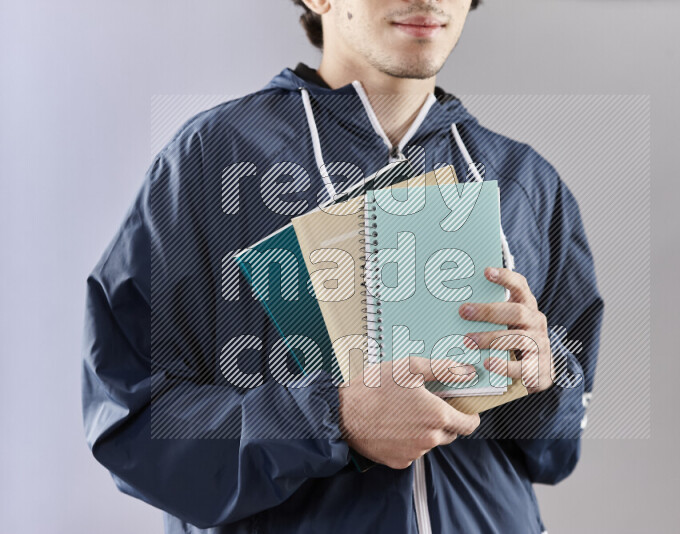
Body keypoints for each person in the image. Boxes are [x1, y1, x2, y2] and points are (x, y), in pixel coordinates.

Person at [81, 1, 604, 532]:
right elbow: (132, 421)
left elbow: (555, 458)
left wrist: (547, 380)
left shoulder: (529, 184)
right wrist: (333, 418)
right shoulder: (211, 158)